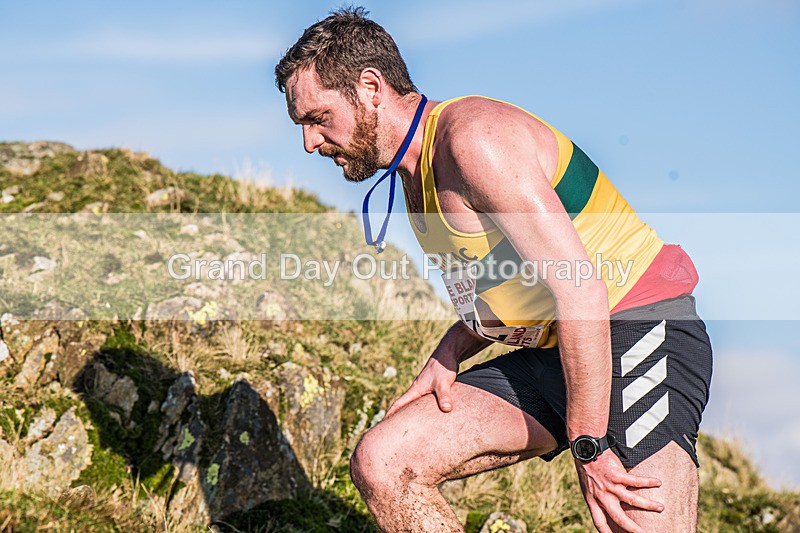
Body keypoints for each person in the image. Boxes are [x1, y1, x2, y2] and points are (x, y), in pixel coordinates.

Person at [275, 7, 712, 533]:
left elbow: (580, 291)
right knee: (384, 462)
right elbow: (512, 285)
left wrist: (589, 443)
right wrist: (449, 352)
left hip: (640, 327)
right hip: (560, 351)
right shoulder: (416, 179)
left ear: (370, 87)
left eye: (318, 118)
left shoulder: (474, 141)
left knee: (633, 524)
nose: (309, 143)